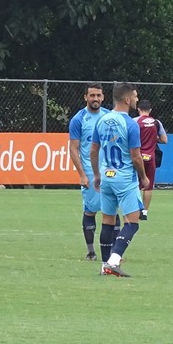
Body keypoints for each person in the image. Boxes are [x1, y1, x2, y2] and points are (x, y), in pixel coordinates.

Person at [90, 83, 150, 277]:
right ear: (127, 99)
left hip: (107, 177)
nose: (137, 100)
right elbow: (135, 156)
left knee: (107, 222)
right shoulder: (131, 123)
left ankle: (104, 265)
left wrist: (97, 175)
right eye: (135, 96)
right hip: (125, 178)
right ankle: (114, 261)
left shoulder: (102, 120)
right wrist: (143, 176)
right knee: (132, 223)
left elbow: (93, 150)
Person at [68, 83, 113, 261]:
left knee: (112, 211)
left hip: (109, 172)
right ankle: (91, 251)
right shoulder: (79, 119)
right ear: (85, 97)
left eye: (98, 96)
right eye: (92, 95)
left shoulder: (109, 117)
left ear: (103, 97)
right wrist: (82, 174)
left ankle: (114, 253)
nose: (95, 99)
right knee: (90, 211)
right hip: (90, 172)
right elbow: (73, 149)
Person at [135, 100, 167, 220]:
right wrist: (154, 139)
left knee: (135, 184)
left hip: (137, 156)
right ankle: (145, 212)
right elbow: (164, 140)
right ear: (150, 110)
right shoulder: (156, 122)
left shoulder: (135, 121)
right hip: (151, 157)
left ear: (138, 109)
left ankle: (136, 208)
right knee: (148, 185)